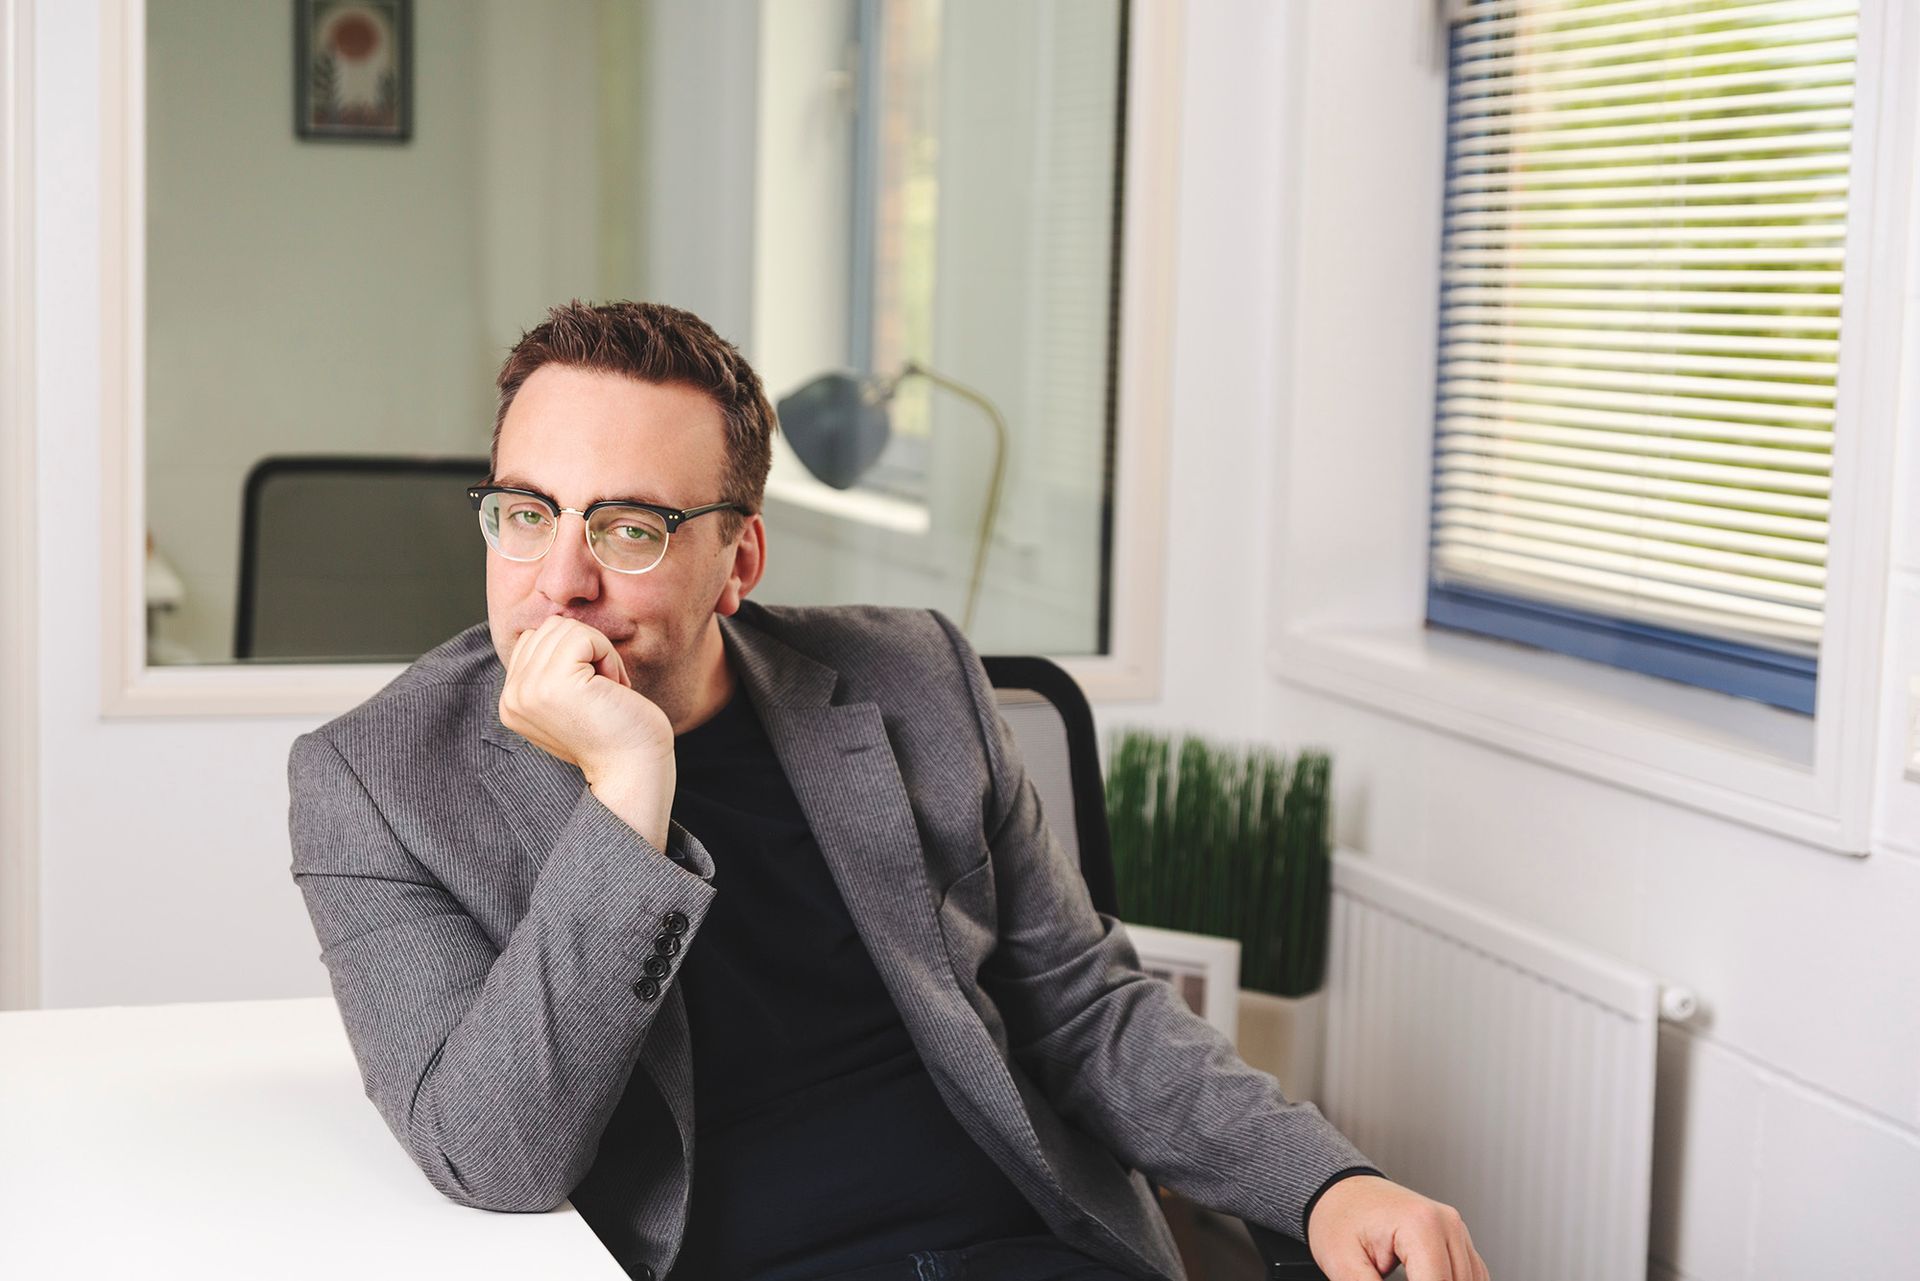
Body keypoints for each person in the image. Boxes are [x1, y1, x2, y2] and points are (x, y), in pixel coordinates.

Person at [288, 300, 1488, 1281]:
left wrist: (1326, 1184)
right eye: (526, 514)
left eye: (630, 529)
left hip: (1031, 1249)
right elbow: (495, 1156)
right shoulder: (377, 781)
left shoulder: (911, 673)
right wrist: (630, 785)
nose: (560, 582)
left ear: (738, 560)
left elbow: (1084, 1012)